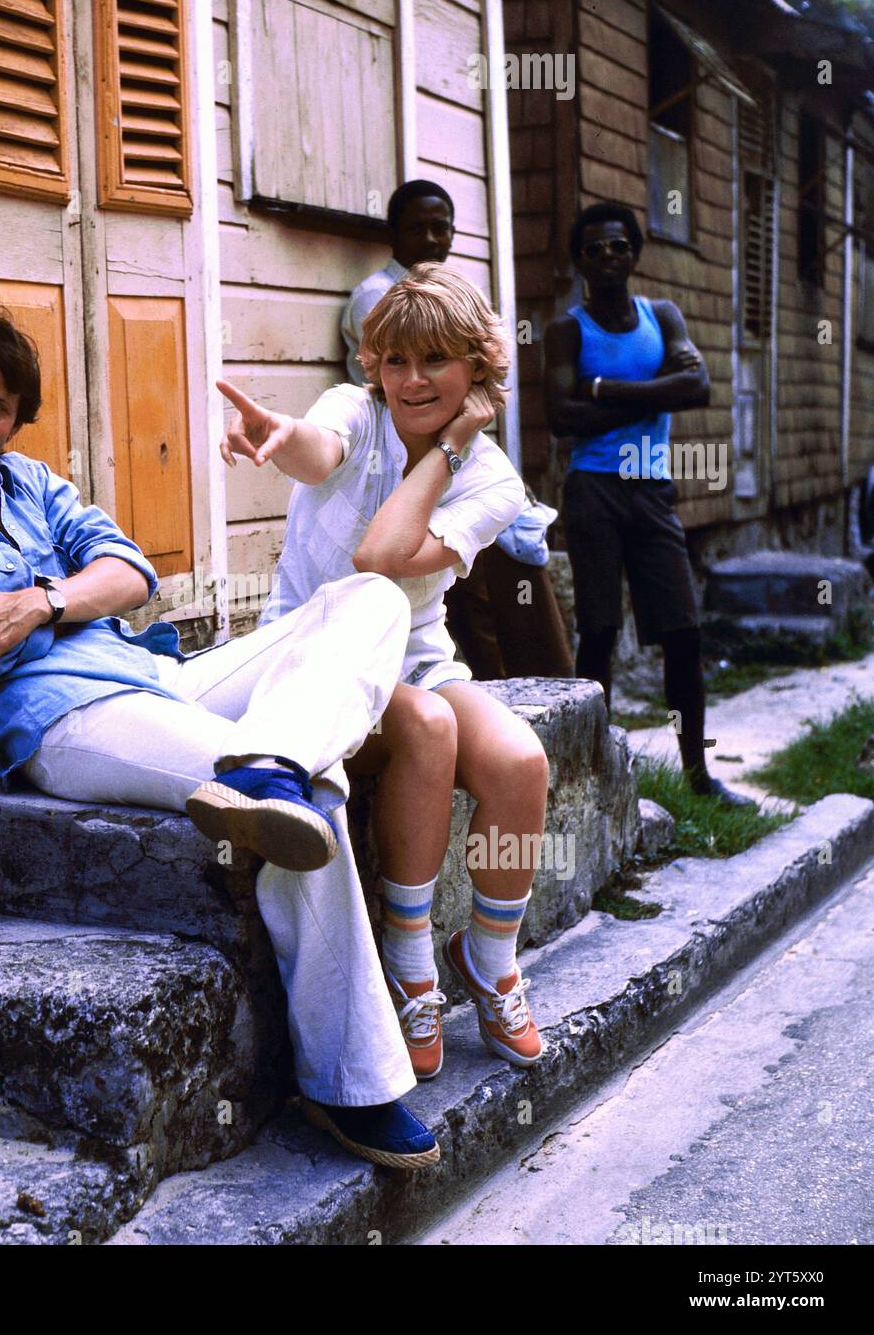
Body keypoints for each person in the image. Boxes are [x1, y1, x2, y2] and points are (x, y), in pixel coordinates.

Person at [0, 308, 442, 1170]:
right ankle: (353, 1085)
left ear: (18, 419)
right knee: (312, 797)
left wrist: (38, 603)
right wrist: (70, 595)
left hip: (161, 676)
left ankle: (270, 758)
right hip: (65, 720)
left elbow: (134, 574)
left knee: (370, 600)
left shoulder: (30, 484)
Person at [221, 268, 551, 1079]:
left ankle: (490, 957)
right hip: (318, 659)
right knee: (429, 727)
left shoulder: (493, 480)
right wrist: (280, 437)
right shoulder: (353, 412)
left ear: (477, 370)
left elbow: (393, 557)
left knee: (521, 762)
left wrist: (445, 452)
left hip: (416, 654)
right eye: (395, 359)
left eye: (435, 360)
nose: (410, 380)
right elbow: (323, 462)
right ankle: (410, 967)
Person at [543, 201, 754, 807]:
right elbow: (562, 417)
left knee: (684, 633)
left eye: (618, 246)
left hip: (653, 489)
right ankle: (592, 777)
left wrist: (605, 390)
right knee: (601, 630)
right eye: (594, 249)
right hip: (593, 490)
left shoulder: (661, 315)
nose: (607, 256)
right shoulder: (568, 329)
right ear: (579, 259)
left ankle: (698, 775)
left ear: (633, 252)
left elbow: (701, 386)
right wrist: (659, 394)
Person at [343, 180, 574, 681]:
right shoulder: (379, 298)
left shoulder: (455, 296)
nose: (430, 239)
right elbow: (418, 393)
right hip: (400, 463)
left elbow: (479, 395)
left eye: (440, 227)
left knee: (517, 560)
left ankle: (543, 691)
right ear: (393, 234)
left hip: (460, 458)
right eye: (416, 229)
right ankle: (491, 690)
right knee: (463, 597)